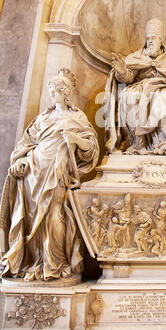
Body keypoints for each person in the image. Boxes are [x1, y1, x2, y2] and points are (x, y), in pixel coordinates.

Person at [0, 68, 99, 281]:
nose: (53, 93)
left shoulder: (77, 117)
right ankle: (32, 263)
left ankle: (56, 263)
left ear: (67, 92)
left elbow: (91, 148)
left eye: (58, 89)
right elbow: (25, 145)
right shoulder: (42, 118)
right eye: (52, 89)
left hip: (58, 170)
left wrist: (75, 139)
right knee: (31, 216)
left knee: (55, 214)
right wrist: (21, 161)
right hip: (34, 170)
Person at [103, 18, 166, 156]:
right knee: (128, 95)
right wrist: (121, 71)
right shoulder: (136, 57)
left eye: (153, 38)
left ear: (161, 41)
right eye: (147, 38)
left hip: (164, 88)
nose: (149, 41)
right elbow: (127, 77)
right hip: (139, 87)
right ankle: (137, 143)